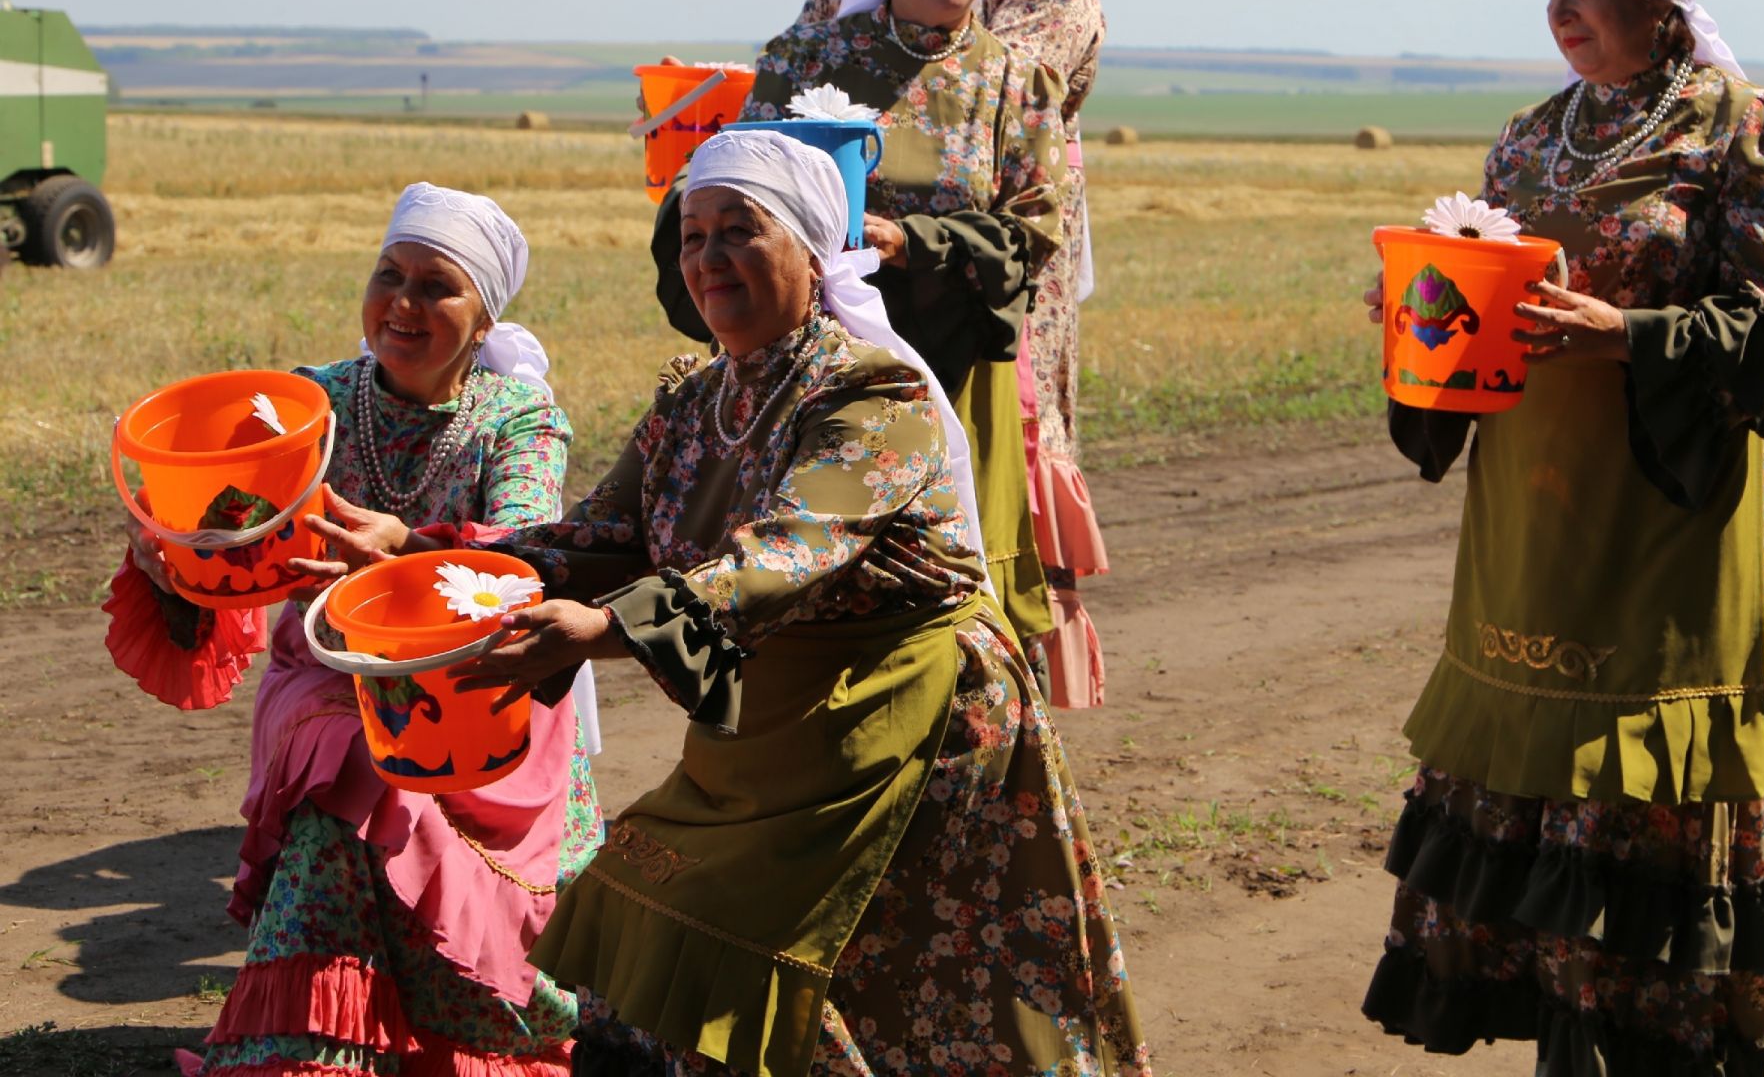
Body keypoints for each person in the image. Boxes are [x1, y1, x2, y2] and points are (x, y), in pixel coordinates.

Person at [325, 130, 1151, 1075]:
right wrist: (423, 552)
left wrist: (607, 627)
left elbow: (791, 550)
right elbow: (600, 535)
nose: (708, 257)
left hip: (900, 727)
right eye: (693, 235)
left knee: (900, 996)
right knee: (655, 926)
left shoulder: (874, 394)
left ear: (808, 248)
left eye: (738, 232)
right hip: (768, 731)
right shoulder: (692, 400)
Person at [1358, 0, 1764, 1075]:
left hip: (1661, 510)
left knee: (1632, 781)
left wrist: (1627, 332)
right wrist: (1419, 315)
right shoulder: (1527, 135)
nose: (1563, 10)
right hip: (1529, 511)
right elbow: (1479, 312)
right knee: (1531, 763)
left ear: (1661, 0)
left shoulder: (1747, 128)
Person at [105, 183, 601, 1076]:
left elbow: (530, 551)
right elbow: (235, 525)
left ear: (483, 320)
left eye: (436, 287)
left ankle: (433, 1028)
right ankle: (306, 1050)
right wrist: (175, 539)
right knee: (354, 772)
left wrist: (407, 548)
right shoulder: (309, 405)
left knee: (397, 779)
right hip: (331, 677)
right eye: (390, 275)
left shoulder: (519, 418)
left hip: (474, 685)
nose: (403, 304)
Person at [803, 0, 1112, 708]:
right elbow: (807, 75)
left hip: (982, 256)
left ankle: (980, 688)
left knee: (980, 461)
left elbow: (988, 104)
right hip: (853, 262)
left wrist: (889, 194)